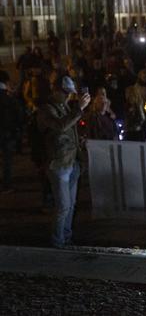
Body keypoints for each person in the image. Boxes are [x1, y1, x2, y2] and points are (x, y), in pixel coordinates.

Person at [37, 75, 91, 248]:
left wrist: (79, 142)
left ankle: (66, 239)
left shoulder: (65, 106)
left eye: (70, 93)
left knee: (71, 205)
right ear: (56, 90)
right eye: (66, 93)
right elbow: (60, 126)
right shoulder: (46, 109)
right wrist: (79, 109)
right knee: (63, 207)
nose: (69, 96)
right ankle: (58, 242)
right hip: (58, 164)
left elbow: (69, 129)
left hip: (71, 162)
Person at [1, 70, 23, 194]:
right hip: (7, 133)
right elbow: (18, 116)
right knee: (7, 160)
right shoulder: (9, 98)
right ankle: (6, 185)